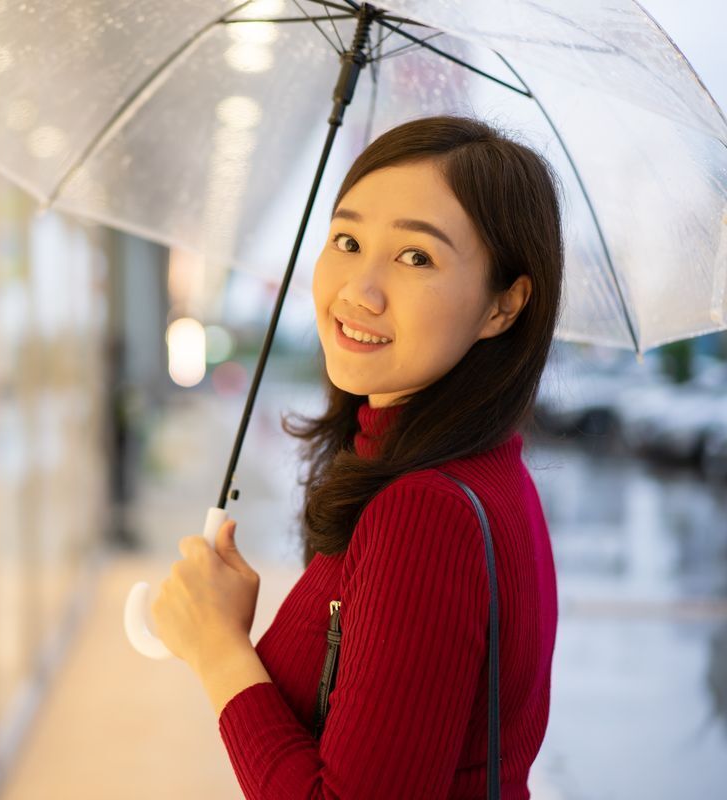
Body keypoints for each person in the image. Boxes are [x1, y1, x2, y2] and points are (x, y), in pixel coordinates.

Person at [150, 114, 562, 798]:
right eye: (346, 240)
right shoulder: (477, 468)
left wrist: (218, 648)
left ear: (505, 305)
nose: (357, 291)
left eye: (415, 257)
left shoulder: (427, 513)